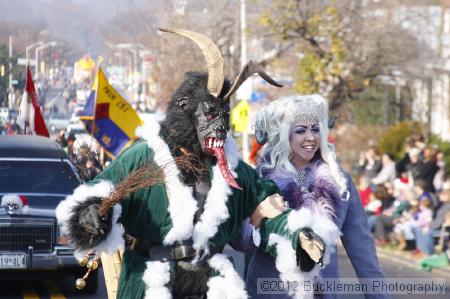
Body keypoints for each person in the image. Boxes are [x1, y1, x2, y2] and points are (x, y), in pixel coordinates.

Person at [55, 29, 325, 299]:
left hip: (214, 284)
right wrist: (91, 215)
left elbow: (268, 213)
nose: (219, 127)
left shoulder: (234, 172)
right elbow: (100, 191)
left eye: (223, 116)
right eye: (210, 114)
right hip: (152, 281)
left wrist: (299, 238)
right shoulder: (144, 156)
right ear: (186, 108)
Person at [241, 94, 389, 299]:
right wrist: (258, 215)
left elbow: (362, 248)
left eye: (315, 129)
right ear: (284, 136)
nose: (310, 137)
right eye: (300, 130)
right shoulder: (259, 180)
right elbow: (241, 241)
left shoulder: (340, 182)